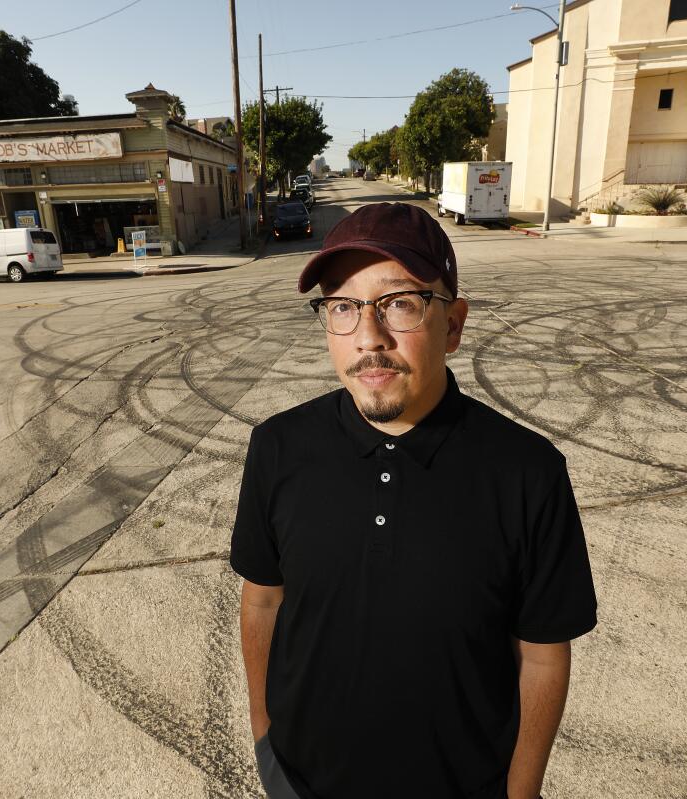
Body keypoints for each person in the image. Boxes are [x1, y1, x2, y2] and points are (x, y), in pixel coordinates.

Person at [231, 202, 597, 799]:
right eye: (342, 307)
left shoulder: (528, 471)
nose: (368, 339)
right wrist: (265, 739)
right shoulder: (277, 447)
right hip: (300, 779)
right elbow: (264, 602)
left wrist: (521, 792)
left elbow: (543, 655)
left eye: (399, 303)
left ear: (453, 324)